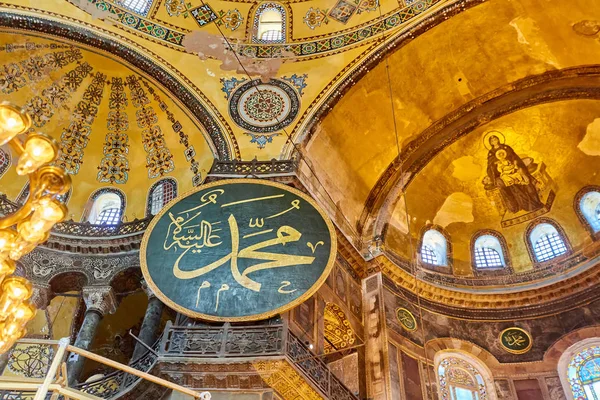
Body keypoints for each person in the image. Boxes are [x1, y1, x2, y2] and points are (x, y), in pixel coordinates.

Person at [483, 135, 543, 213]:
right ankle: (521, 205)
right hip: (504, 174)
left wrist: (515, 164)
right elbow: (490, 166)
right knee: (513, 187)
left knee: (526, 182)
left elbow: (515, 157)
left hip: (514, 169)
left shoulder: (506, 148)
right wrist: (495, 164)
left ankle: (535, 202)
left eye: (495, 139)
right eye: (492, 140)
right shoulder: (491, 153)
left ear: (498, 139)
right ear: (490, 143)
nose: (494, 141)